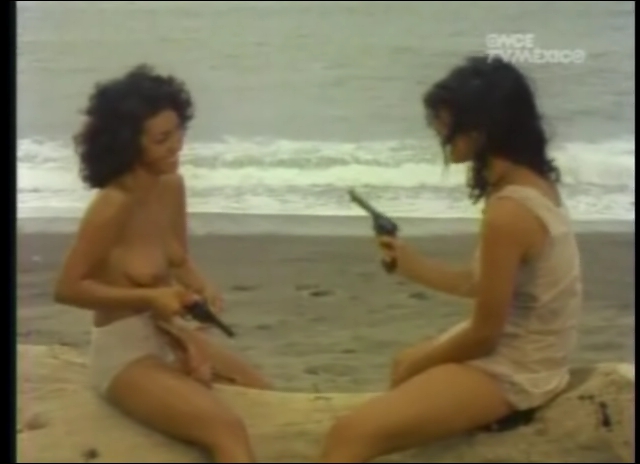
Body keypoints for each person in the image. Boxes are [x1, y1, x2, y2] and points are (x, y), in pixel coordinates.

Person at [318, 55, 583, 462]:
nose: (440, 129)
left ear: (483, 128)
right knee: (402, 365)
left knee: (347, 436)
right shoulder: (530, 184)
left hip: (519, 366)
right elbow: (480, 284)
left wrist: (420, 365)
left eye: (447, 120)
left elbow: (485, 333)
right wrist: (412, 265)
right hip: (532, 348)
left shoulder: (509, 211)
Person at [53, 64, 271, 463]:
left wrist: (200, 286)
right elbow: (67, 288)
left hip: (167, 334)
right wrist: (152, 298)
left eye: (178, 132)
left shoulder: (171, 186)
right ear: (128, 144)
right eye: (161, 139)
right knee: (226, 429)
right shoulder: (112, 205)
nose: (176, 146)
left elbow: (177, 257)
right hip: (124, 354)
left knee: (265, 396)